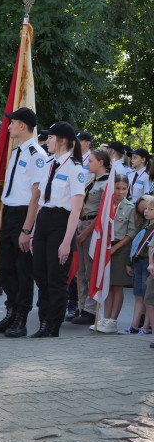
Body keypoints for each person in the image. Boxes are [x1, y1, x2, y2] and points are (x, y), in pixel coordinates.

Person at [0, 107, 47, 338]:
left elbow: (35, 196)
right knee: (7, 268)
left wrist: (26, 229)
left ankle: (21, 318)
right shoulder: (16, 152)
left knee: (23, 269)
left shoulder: (37, 155)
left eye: (12, 123)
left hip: (23, 215)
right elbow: (8, 190)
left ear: (22, 126)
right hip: (9, 213)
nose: (8, 127)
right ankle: (11, 312)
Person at [29, 121, 85, 337]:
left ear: (62, 140)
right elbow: (42, 201)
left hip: (62, 224)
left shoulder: (75, 169)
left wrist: (66, 242)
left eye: (51, 137)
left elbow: (76, 210)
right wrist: (33, 232)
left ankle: (52, 325)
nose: (48, 141)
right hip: (44, 221)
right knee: (40, 275)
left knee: (56, 277)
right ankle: (44, 320)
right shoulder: (50, 163)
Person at [70, 148, 111, 324]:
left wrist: (85, 232)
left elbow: (102, 213)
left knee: (90, 268)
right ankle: (82, 306)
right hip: (82, 224)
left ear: (101, 163)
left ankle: (90, 309)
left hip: (92, 228)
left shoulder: (107, 183)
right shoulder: (92, 181)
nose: (87, 164)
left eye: (91, 161)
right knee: (82, 269)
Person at [92, 175, 135, 333]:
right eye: (117, 188)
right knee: (107, 285)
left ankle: (113, 321)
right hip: (106, 246)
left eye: (124, 188)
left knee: (117, 286)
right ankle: (105, 317)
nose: (120, 192)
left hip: (120, 249)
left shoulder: (129, 208)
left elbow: (130, 233)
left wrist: (115, 249)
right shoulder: (106, 206)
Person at [120, 195, 154, 334]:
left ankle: (145, 327)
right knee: (138, 295)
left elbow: (150, 249)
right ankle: (135, 326)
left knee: (147, 297)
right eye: (145, 209)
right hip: (139, 262)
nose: (145, 211)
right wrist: (129, 262)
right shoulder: (145, 226)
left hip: (147, 263)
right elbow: (135, 245)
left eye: (150, 209)